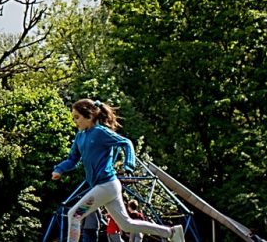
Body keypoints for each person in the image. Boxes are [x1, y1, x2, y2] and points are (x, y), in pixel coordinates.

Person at [51, 99, 183, 242]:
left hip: (106, 184)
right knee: (127, 225)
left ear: (89, 116)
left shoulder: (101, 133)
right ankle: (171, 232)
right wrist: (60, 169)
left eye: (77, 117)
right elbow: (73, 159)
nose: (75, 121)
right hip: (104, 187)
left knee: (75, 214)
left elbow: (126, 143)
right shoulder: (80, 137)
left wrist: (129, 165)